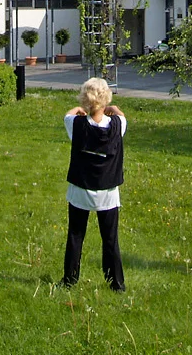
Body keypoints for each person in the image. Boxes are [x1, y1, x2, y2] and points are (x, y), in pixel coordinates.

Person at [61, 78, 127, 292]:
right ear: (106, 99)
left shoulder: (76, 125)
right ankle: (116, 283)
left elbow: (69, 114)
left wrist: (82, 109)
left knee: (75, 235)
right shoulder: (118, 125)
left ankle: (70, 279)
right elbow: (120, 115)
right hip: (107, 191)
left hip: (81, 189)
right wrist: (113, 108)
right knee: (110, 239)